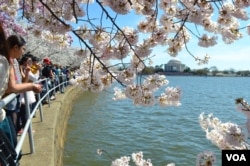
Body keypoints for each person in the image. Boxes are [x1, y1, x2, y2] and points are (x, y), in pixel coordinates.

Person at [0, 23, 42, 148]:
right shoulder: (4, 61)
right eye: (23, 49)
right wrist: (32, 87)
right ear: (16, 47)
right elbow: (12, 86)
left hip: (8, 103)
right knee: (11, 145)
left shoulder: (12, 62)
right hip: (6, 106)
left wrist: (28, 74)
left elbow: (20, 82)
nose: (24, 52)